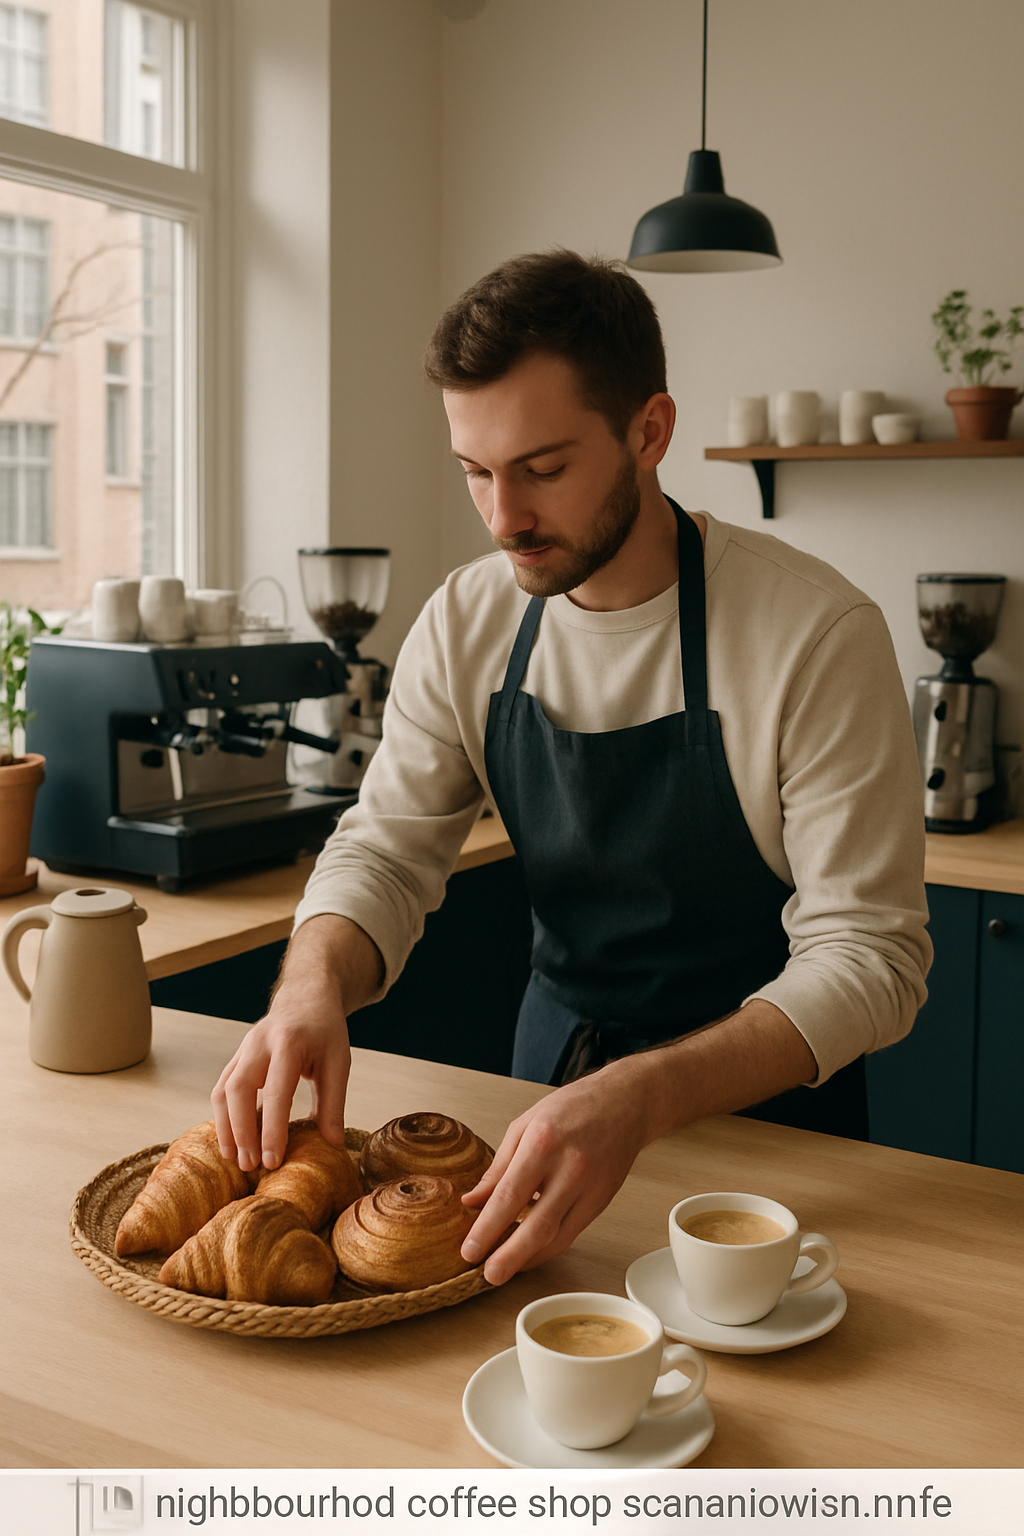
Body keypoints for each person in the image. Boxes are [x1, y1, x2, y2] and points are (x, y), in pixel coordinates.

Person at [212, 251, 931, 1286]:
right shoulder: (467, 619)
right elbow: (385, 845)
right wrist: (310, 984)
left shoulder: (812, 632)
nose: (503, 515)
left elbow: (871, 959)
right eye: (474, 471)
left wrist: (641, 1093)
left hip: (770, 1135)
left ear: (649, 432)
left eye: (542, 468)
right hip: (544, 1098)